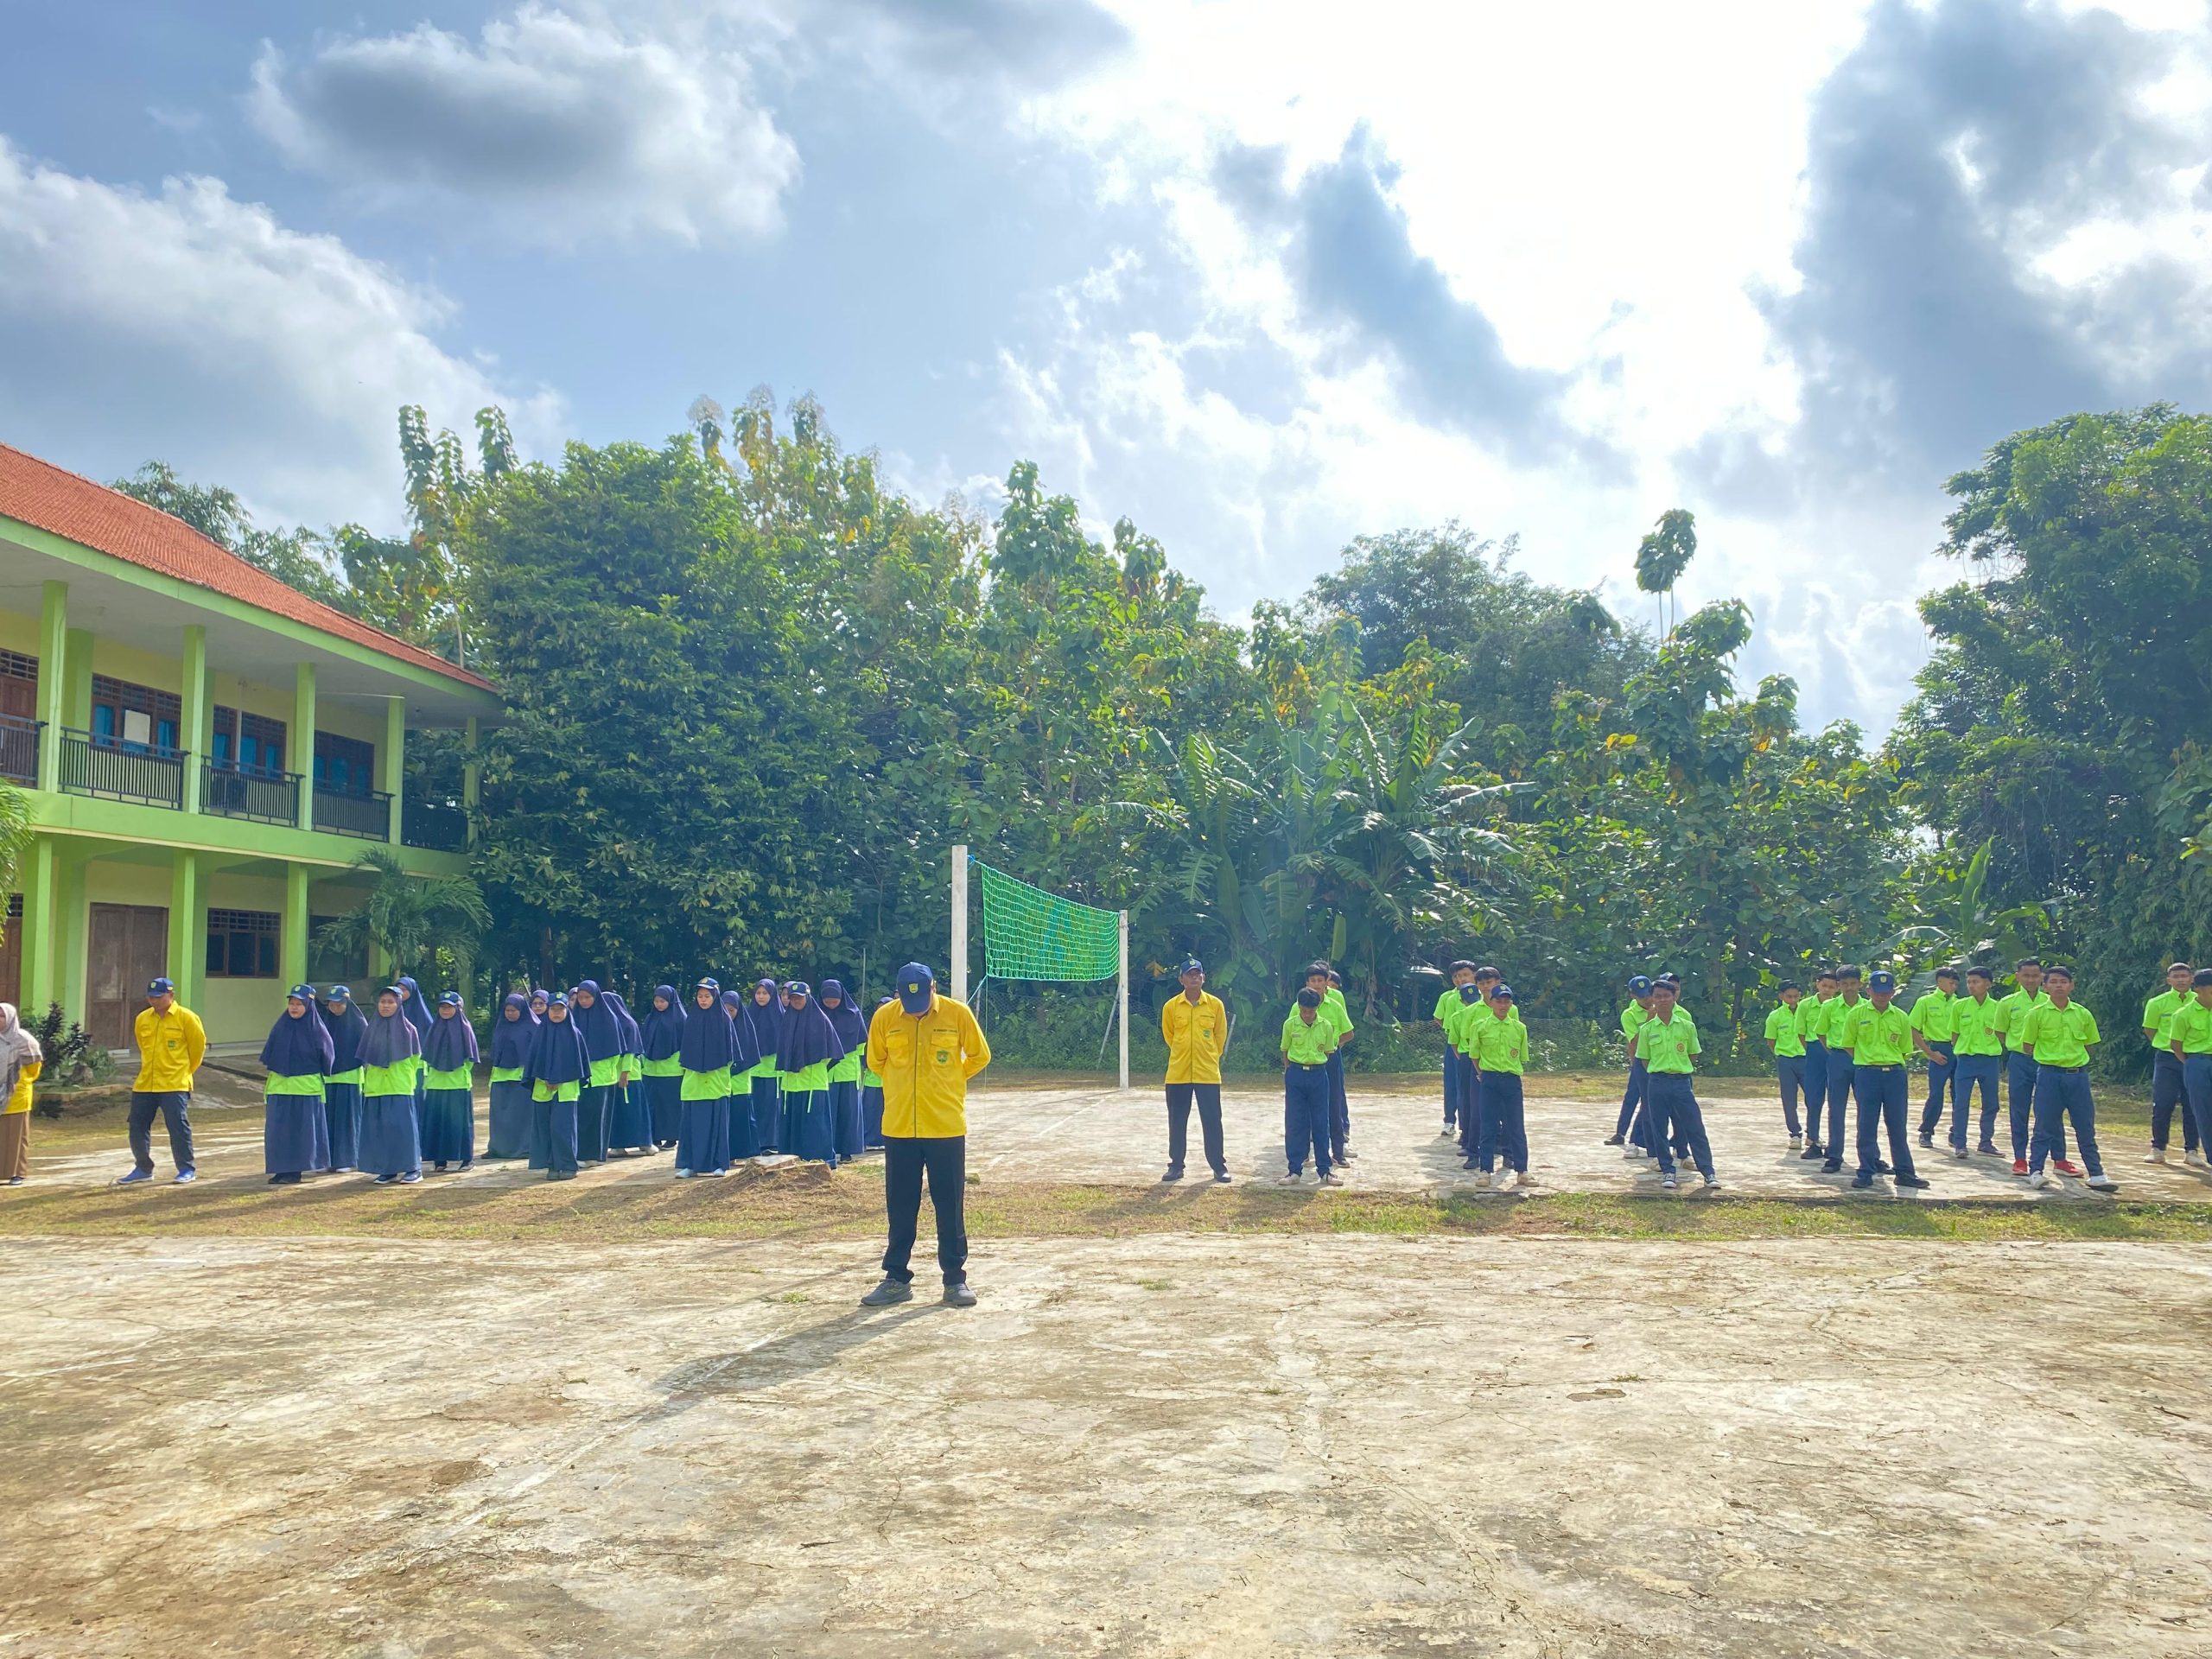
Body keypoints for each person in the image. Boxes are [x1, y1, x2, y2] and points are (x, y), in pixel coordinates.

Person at [860, 963, 990, 1307]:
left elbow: (980, 1055)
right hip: (900, 1126)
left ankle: (954, 1279)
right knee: (900, 1205)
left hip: (945, 1126)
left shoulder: (956, 1013)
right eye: (906, 1000)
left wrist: (952, 1080)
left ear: (933, 986)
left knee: (949, 1205)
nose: (912, 1007)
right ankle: (896, 1278)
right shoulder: (885, 1017)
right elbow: (875, 1061)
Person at [2020, 966, 2115, 1191]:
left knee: (2085, 1125)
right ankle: (2035, 1171)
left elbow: (2090, 1045)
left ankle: (2097, 1173)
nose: (2059, 986)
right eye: (2053, 982)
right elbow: (2028, 1046)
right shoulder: (2036, 1014)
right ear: (2045, 986)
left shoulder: (2083, 1014)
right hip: (2049, 1076)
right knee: (2044, 1125)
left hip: (2077, 1077)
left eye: (2063, 981)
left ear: (2071, 985)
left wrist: (2072, 1061)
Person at [1840, 971, 1927, 1192]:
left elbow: (1905, 1048)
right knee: (1867, 1124)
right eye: (1877, 992)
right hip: (1867, 1074)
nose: (1882, 996)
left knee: (1897, 1125)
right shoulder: (1856, 1015)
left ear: (1893, 992)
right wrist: (1867, 1061)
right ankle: (1866, 1171)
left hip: (1895, 1074)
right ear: (1869, 991)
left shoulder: (1900, 1016)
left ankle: (1905, 1172)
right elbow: (1848, 1045)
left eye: (1887, 992)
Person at [115, 976, 205, 1185]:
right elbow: (142, 1046)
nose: (154, 1001)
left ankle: (186, 1168)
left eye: (159, 997)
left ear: (171, 996)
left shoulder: (187, 1018)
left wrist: (184, 1072)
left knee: (177, 1126)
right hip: (146, 1082)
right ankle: (143, 1167)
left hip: (175, 1083)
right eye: (151, 997)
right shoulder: (143, 1019)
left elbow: (197, 1050)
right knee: (137, 1125)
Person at [1635, 976, 1717, 1192]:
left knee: (1694, 1127)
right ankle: (1668, 1170)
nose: (1662, 1000)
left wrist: (1678, 1069)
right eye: (1658, 996)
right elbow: (1644, 1059)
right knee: (1658, 1127)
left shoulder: (1687, 1026)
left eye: (1667, 996)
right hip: (1657, 1082)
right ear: (1652, 999)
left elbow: (1693, 1054)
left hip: (1681, 1082)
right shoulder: (1647, 1029)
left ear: (1674, 998)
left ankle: (1708, 1172)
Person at [1160, 958, 1231, 1185]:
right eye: (1189, 974)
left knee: (1212, 1120)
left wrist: (1209, 1056)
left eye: (1197, 973)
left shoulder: (1215, 1005)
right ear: (1181, 979)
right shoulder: (1171, 1006)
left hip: (1207, 1073)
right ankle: (1176, 1165)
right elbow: (1169, 1036)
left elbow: (1220, 1036)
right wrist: (1184, 1053)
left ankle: (1219, 1167)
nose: (1193, 977)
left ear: (1203, 977)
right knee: (1177, 1120)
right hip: (1178, 1073)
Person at [261, 984, 334, 1185]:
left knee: (301, 1133)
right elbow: (270, 1053)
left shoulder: (317, 1029)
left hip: (305, 1090)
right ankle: (281, 1169)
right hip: (279, 1089)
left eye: (299, 1004)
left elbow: (327, 1056)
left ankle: (295, 1171)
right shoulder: (280, 1026)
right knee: (279, 1132)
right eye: (292, 1003)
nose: (294, 1008)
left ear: (309, 1006)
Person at [1995, 958, 2061, 1177]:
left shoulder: (2051, 1001)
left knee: (2052, 1110)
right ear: (2018, 977)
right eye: (2026, 975)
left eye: (2035, 975)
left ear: (2042, 977)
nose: (2031, 980)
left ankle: (2059, 1159)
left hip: (2047, 1061)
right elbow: (2001, 1032)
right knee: (2019, 1108)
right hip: (2020, 1060)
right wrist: (2019, 1048)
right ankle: (2020, 1158)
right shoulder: (2007, 1003)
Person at [357, 987, 424, 1185]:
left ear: (399, 1004)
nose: (386, 1006)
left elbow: (414, 1060)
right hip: (376, 1088)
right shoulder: (371, 1028)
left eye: (390, 1002)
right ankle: (388, 1169)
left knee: (402, 1129)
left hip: (399, 1086)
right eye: (382, 1001)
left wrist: (402, 1077)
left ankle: (413, 1168)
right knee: (380, 1129)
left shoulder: (409, 1030)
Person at [1471, 983, 1532, 1190]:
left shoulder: (1519, 1028)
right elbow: (1475, 1055)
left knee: (1516, 1126)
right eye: (1499, 1001)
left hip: (1511, 1080)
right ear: (1491, 1002)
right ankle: (1485, 1171)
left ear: (1511, 1004)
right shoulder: (1480, 1026)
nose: (1503, 1005)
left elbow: (1522, 1057)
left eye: (1507, 1001)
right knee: (1488, 1126)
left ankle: (1522, 1171)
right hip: (1489, 1079)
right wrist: (1482, 1074)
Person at [779, 982, 846, 1166]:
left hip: (813, 1083)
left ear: (807, 997)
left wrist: (812, 1065)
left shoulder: (820, 1019)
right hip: (791, 1084)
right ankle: (793, 1159)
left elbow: (832, 1053)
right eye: (792, 998)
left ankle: (821, 1160)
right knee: (794, 1123)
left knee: (815, 1125)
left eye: (799, 997)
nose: (796, 1001)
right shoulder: (787, 1019)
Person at [675, 980, 738, 1179]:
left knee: (717, 1125)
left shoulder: (723, 1019)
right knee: (692, 1126)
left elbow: (730, 1053)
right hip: (693, 1084)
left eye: (707, 996)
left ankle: (719, 1164)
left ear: (715, 997)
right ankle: (690, 1165)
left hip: (716, 1083)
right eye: (700, 996)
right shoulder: (691, 1019)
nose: (703, 1000)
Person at [524, 991, 588, 1182]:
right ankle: (552, 1165)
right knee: (545, 1129)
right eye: (553, 1009)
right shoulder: (540, 1033)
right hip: (543, 1089)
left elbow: (578, 1063)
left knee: (563, 1128)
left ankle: (568, 1165)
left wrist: (560, 1078)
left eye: (561, 1009)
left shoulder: (574, 1034)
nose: (557, 1013)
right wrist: (545, 1078)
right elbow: (534, 1060)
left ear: (567, 1010)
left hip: (566, 1090)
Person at [1279, 987, 1339, 1187]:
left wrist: (1315, 1066)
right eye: (1304, 1010)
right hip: (1295, 1074)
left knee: (1321, 1122)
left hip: (1318, 1074)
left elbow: (1329, 1052)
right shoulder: (1290, 1024)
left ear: (1317, 1007)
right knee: (1295, 1122)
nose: (1307, 1014)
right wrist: (1292, 1071)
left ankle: (1324, 1170)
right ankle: (1294, 1170)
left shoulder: (1326, 1026)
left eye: (1311, 1011)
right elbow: (1285, 1051)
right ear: (1299, 1007)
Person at [2143, 962, 2202, 1166]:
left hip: (2194, 1058)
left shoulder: (2201, 1001)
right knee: (2163, 1103)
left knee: (2193, 1105)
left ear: (2192, 978)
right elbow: (2150, 1030)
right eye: (2176, 977)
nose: (2181, 980)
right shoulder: (2157, 1003)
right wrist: (2166, 1046)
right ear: (2168, 980)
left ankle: (2192, 1150)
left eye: (2184, 976)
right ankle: (2158, 1148)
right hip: (2167, 1058)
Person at [1949, 968, 2006, 1158]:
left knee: (1991, 1103)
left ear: (1988, 983)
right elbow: (1955, 1035)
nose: (1972, 986)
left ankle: (1986, 1141)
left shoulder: (1998, 1007)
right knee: (1961, 1102)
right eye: (1969, 982)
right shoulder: (1960, 1006)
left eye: (1976, 981)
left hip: (1989, 1060)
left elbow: (2002, 1034)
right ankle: (1960, 1143)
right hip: (1965, 1060)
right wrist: (1961, 1051)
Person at [420, 992, 479, 1173]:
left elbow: (470, 1058)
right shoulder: (434, 1028)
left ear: (457, 1008)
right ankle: (440, 1160)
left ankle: (466, 1159)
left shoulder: (465, 1028)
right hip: (436, 1084)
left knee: (460, 1124)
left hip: (458, 1084)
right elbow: (427, 1055)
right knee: (437, 1123)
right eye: (442, 1007)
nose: (445, 1010)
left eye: (449, 1007)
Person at [1818, 968, 1866, 1174]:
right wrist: (1834, 1053)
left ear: (1860, 984)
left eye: (1853, 983)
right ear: (1839, 986)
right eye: (1844, 984)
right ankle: (1835, 1155)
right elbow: (1821, 1033)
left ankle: (1869, 1157)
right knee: (1836, 1108)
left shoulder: (1868, 1006)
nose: (1849, 988)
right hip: (1838, 1058)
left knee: (1866, 1108)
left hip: (1864, 1059)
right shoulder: (1829, 1007)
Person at [2164, 969, 2212, 1175]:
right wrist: (2192, 1064)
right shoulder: (2183, 1014)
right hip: (2197, 1062)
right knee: (2203, 1111)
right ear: (2199, 989)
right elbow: (2176, 1045)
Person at [569, 981, 621, 1165]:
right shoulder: (573, 1018)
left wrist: (609, 1073)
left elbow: (616, 1051)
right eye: (580, 998)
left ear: (595, 997)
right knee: (582, 1117)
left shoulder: (608, 1018)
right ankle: (582, 1154)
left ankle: (595, 1155)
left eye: (587, 997)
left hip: (602, 1077)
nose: (583, 1001)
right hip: (580, 1076)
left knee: (599, 1118)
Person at [318, 987, 367, 1173]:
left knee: (347, 1119)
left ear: (347, 1002)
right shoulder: (325, 1022)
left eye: (339, 1003)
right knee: (328, 1118)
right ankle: (328, 1160)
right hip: (329, 1078)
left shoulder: (358, 1023)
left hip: (350, 1077)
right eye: (331, 1003)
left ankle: (347, 1159)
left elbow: (365, 1051)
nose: (335, 1007)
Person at [820, 981, 870, 1163]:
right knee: (829, 1113)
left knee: (848, 1113)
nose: (831, 1005)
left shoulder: (853, 1015)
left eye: (835, 1002)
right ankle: (828, 1149)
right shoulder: (818, 1015)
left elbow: (862, 1043)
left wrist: (843, 1054)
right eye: (828, 1002)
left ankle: (848, 1151)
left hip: (848, 1071)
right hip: (826, 1072)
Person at [1910, 967, 1961, 1148]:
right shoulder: (1925, 1002)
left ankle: (1957, 1132)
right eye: (1950, 982)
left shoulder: (1960, 1003)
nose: (1953, 986)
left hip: (1959, 1050)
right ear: (1939, 981)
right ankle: (1926, 1131)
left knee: (1959, 1095)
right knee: (1936, 1094)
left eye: (1956, 983)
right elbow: (1913, 1028)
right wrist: (1929, 1053)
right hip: (1938, 1049)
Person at [601, 990, 655, 1157]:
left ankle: (645, 1143)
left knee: (635, 1111)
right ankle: (619, 1145)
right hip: (612, 1076)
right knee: (618, 1113)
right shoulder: (606, 1024)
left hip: (630, 1075)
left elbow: (630, 1051)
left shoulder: (628, 1024)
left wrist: (625, 1073)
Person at [1797, 969, 1841, 1161]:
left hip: (1837, 1051)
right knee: (1814, 1098)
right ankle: (1813, 1138)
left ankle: (1835, 1144)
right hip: (1815, 1051)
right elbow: (1801, 1032)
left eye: (1832, 987)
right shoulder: (1806, 1005)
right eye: (1824, 985)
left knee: (1836, 1099)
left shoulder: (1839, 1006)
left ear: (1837, 988)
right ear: (1817, 984)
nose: (1827, 989)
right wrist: (1812, 1051)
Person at [1606, 976, 1654, 1152]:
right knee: (1631, 1097)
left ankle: (1639, 1138)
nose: (1648, 999)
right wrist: (1649, 1020)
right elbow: (1634, 1042)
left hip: (1657, 1062)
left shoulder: (1662, 1007)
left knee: (1648, 1101)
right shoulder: (1629, 1014)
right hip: (1639, 1061)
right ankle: (1620, 1133)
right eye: (1643, 996)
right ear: (1633, 996)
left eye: (1649, 993)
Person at [486, 993, 535, 1160]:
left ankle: (523, 1148)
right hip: (500, 1078)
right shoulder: (501, 1027)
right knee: (500, 1116)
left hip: (522, 1079)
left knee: (521, 1117)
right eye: (507, 1010)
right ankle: (498, 1148)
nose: (510, 1013)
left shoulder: (533, 1027)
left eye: (514, 1010)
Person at [637, 986, 687, 1152]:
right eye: (656, 1001)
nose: (659, 1004)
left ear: (670, 1001)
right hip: (651, 1070)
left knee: (670, 1106)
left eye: (663, 1001)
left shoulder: (681, 1019)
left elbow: (685, 1044)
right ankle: (655, 1136)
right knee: (653, 1105)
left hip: (672, 1070)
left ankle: (672, 1138)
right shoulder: (650, 1018)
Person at [0, 1002, 43, 1185]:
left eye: (2, 1016)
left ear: (10, 1018)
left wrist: (18, 1081)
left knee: (16, 1136)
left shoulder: (23, 1039)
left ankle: (18, 1172)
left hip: (16, 1094)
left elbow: (34, 1068)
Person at [1433, 960, 1477, 1136]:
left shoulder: (1482, 996)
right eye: (1457, 976)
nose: (1461, 979)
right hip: (1454, 1045)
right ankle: (1449, 1120)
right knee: (1452, 1083)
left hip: (1476, 1046)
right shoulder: (1449, 998)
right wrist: (1452, 1032)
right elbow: (1439, 1018)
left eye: (1465, 975)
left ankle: (1471, 1124)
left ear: (1474, 975)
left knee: (1472, 1085)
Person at [721, 989, 764, 1163]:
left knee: (743, 1121)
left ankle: (748, 1154)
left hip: (740, 1084)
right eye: (725, 1010)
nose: (728, 1014)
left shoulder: (746, 1027)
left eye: (732, 1010)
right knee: (726, 1123)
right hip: (722, 1084)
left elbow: (751, 1055)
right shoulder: (717, 1027)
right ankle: (727, 1155)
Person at [1764, 982, 1807, 1147]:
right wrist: (1780, 1054)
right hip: (1786, 1060)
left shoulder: (1806, 1012)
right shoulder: (1775, 1016)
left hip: (1805, 1059)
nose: (1793, 1000)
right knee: (1789, 1098)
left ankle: (1814, 1133)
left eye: (1796, 996)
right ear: (1781, 996)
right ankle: (1795, 1133)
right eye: (1789, 996)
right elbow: (1771, 1041)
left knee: (1813, 1096)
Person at [1448, 980, 1484, 1169]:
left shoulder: (1488, 1011)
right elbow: (1454, 1042)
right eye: (1468, 999)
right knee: (1467, 1100)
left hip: (1485, 1059)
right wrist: (1465, 1058)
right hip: (1467, 1058)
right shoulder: (1457, 1016)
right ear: (1462, 1001)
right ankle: (1467, 1137)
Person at [747, 979, 785, 1155]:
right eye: (758, 993)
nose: (761, 997)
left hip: (773, 1070)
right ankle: (755, 1142)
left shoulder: (780, 1015)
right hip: (753, 1069)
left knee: (771, 1106)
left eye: (765, 993)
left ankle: (771, 1142)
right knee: (754, 1106)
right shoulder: (749, 1014)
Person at [1323, 966, 1354, 1164]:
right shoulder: (1304, 998)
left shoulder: (1336, 998)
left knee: (1337, 1094)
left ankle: (1343, 1133)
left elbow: (1346, 1027)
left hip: (1333, 1051)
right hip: (1311, 1056)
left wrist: (1336, 1046)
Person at [861, 998, 892, 1150]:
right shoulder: (871, 1028)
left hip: (892, 1081)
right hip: (873, 1079)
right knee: (871, 1111)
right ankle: (871, 1140)